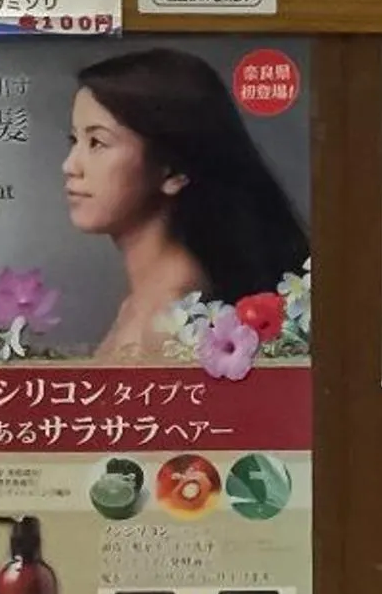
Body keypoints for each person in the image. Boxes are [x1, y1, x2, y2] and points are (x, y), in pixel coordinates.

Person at [64, 48, 309, 360]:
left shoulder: (170, 319)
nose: (71, 166)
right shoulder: (142, 303)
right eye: (74, 141)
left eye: (97, 142)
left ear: (173, 171)